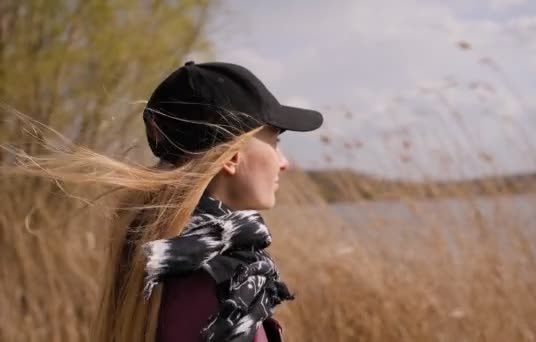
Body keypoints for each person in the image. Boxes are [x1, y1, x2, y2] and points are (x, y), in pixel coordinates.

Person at [5, 61, 323, 342]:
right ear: (232, 157)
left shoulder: (166, 254)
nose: (284, 162)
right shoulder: (217, 277)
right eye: (275, 142)